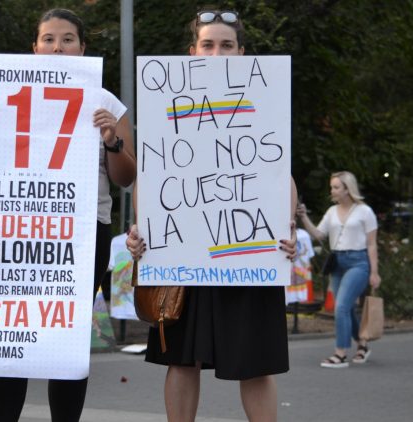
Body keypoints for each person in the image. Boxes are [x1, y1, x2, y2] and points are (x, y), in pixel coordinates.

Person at [126, 10, 298, 422]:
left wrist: (286, 224)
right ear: (192, 52)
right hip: (184, 254)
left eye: (226, 45)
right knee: (182, 360)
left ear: (242, 53)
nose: (217, 53)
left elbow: (279, 174)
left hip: (248, 254)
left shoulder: (265, 99)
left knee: (256, 363)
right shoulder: (166, 103)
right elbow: (153, 173)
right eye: (208, 45)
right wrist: (141, 229)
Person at [0, 8, 136, 422]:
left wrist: (111, 142)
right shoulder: (5, 92)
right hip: (18, 232)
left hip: (86, 236)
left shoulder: (106, 103)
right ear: (34, 49)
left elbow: (126, 178)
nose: (58, 46)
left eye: (67, 39)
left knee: (66, 338)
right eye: (49, 39)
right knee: (9, 333)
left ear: (83, 48)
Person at [296, 171, 381, 368]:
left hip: (358, 262)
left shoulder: (365, 212)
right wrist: (304, 217)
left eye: (336, 187)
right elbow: (318, 234)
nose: (332, 191)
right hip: (337, 261)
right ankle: (362, 344)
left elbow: (372, 244)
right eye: (331, 187)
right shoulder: (331, 211)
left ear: (347, 189)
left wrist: (374, 272)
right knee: (347, 307)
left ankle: (340, 353)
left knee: (341, 306)